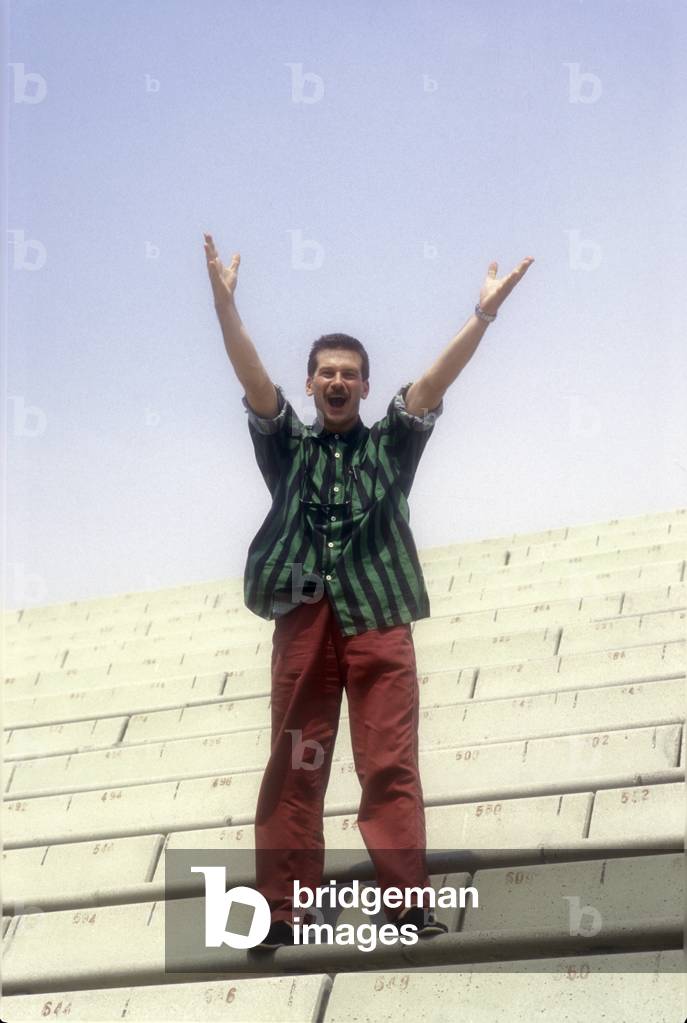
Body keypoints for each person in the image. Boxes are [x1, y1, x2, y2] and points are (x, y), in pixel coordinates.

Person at [204, 233, 533, 948]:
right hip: (301, 615)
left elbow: (432, 387)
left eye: (349, 373)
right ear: (310, 384)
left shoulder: (390, 443)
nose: (336, 381)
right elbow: (252, 379)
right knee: (295, 760)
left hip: (378, 615)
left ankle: (403, 904)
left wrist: (480, 318)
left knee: (388, 760)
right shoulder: (288, 445)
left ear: (363, 384)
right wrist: (226, 308)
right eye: (324, 371)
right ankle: (283, 910)